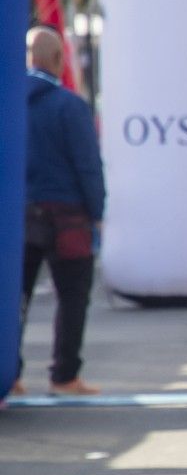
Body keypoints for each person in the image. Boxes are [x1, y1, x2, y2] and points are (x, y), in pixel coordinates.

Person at [16, 27, 105, 397]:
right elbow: (88, 164)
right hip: (67, 215)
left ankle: (12, 375)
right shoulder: (70, 106)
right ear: (58, 60)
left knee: (14, 296)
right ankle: (64, 375)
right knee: (71, 296)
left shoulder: (9, 103)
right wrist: (97, 210)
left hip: (19, 215)